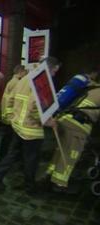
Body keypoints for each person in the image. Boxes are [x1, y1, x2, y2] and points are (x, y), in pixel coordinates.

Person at [0, 57, 61, 194]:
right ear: (49, 67)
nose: (54, 74)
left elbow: (10, 99)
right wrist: (47, 121)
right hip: (31, 130)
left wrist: (12, 117)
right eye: (54, 71)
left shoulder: (24, 78)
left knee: (12, 155)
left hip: (18, 126)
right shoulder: (41, 81)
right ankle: (29, 187)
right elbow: (34, 107)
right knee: (31, 160)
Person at [46, 65, 100, 193]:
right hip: (78, 125)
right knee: (71, 155)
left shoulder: (89, 86)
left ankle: (49, 175)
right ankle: (59, 184)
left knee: (61, 150)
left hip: (64, 120)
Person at [0, 65, 28, 161]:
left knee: (7, 138)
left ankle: (3, 157)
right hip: (11, 116)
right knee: (8, 139)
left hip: (7, 114)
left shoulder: (12, 81)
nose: (26, 74)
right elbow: (14, 101)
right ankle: (4, 158)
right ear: (21, 72)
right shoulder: (17, 83)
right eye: (25, 72)